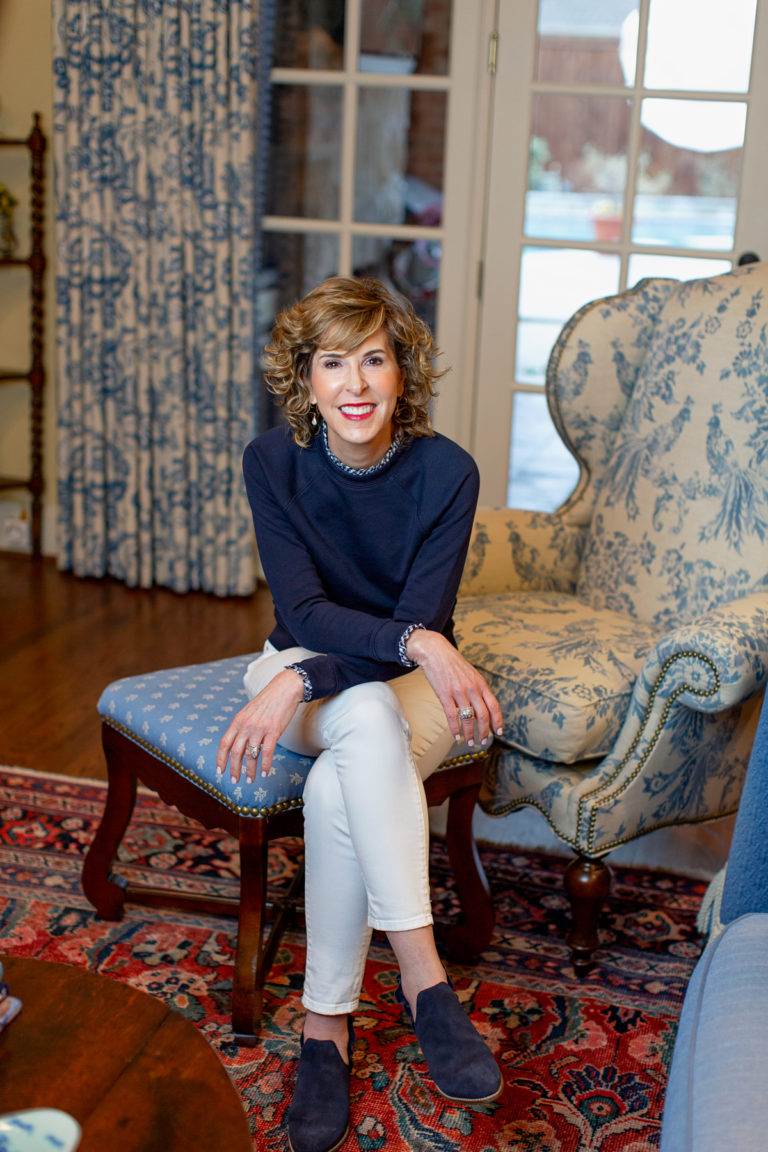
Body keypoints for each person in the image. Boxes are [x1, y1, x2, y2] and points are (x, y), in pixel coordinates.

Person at [216, 276, 503, 1152]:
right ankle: (427, 984)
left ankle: (323, 1032)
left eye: (373, 359)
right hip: (307, 667)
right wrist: (395, 648)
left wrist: (400, 650)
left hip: (392, 687)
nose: (355, 384)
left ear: (403, 373)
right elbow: (303, 615)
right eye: (332, 362)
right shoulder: (272, 461)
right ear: (304, 379)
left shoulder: (448, 472)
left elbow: (410, 623)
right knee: (365, 713)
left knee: (359, 751)